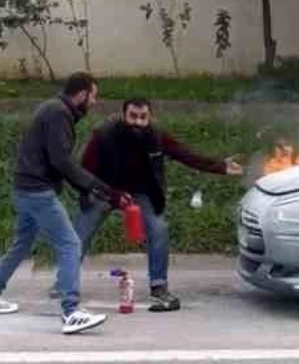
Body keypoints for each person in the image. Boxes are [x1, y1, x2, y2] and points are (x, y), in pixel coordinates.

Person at [0, 72, 125, 336]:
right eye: (93, 96)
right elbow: (61, 160)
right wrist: (96, 186)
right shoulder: (58, 114)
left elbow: (58, 160)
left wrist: (87, 186)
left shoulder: (54, 109)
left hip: (26, 188)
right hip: (37, 191)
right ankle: (71, 311)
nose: (94, 102)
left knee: (21, 244)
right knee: (70, 243)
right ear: (82, 94)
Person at [74, 96, 243, 312]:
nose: (138, 122)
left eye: (143, 117)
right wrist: (107, 194)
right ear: (124, 115)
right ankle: (65, 282)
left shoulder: (156, 137)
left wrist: (221, 167)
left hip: (142, 193)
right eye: (133, 116)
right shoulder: (104, 135)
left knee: (159, 229)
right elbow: (85, 170)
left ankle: (158, 287)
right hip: (106, 190)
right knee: (80, 232)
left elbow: (186, 155)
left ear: (150, 117)